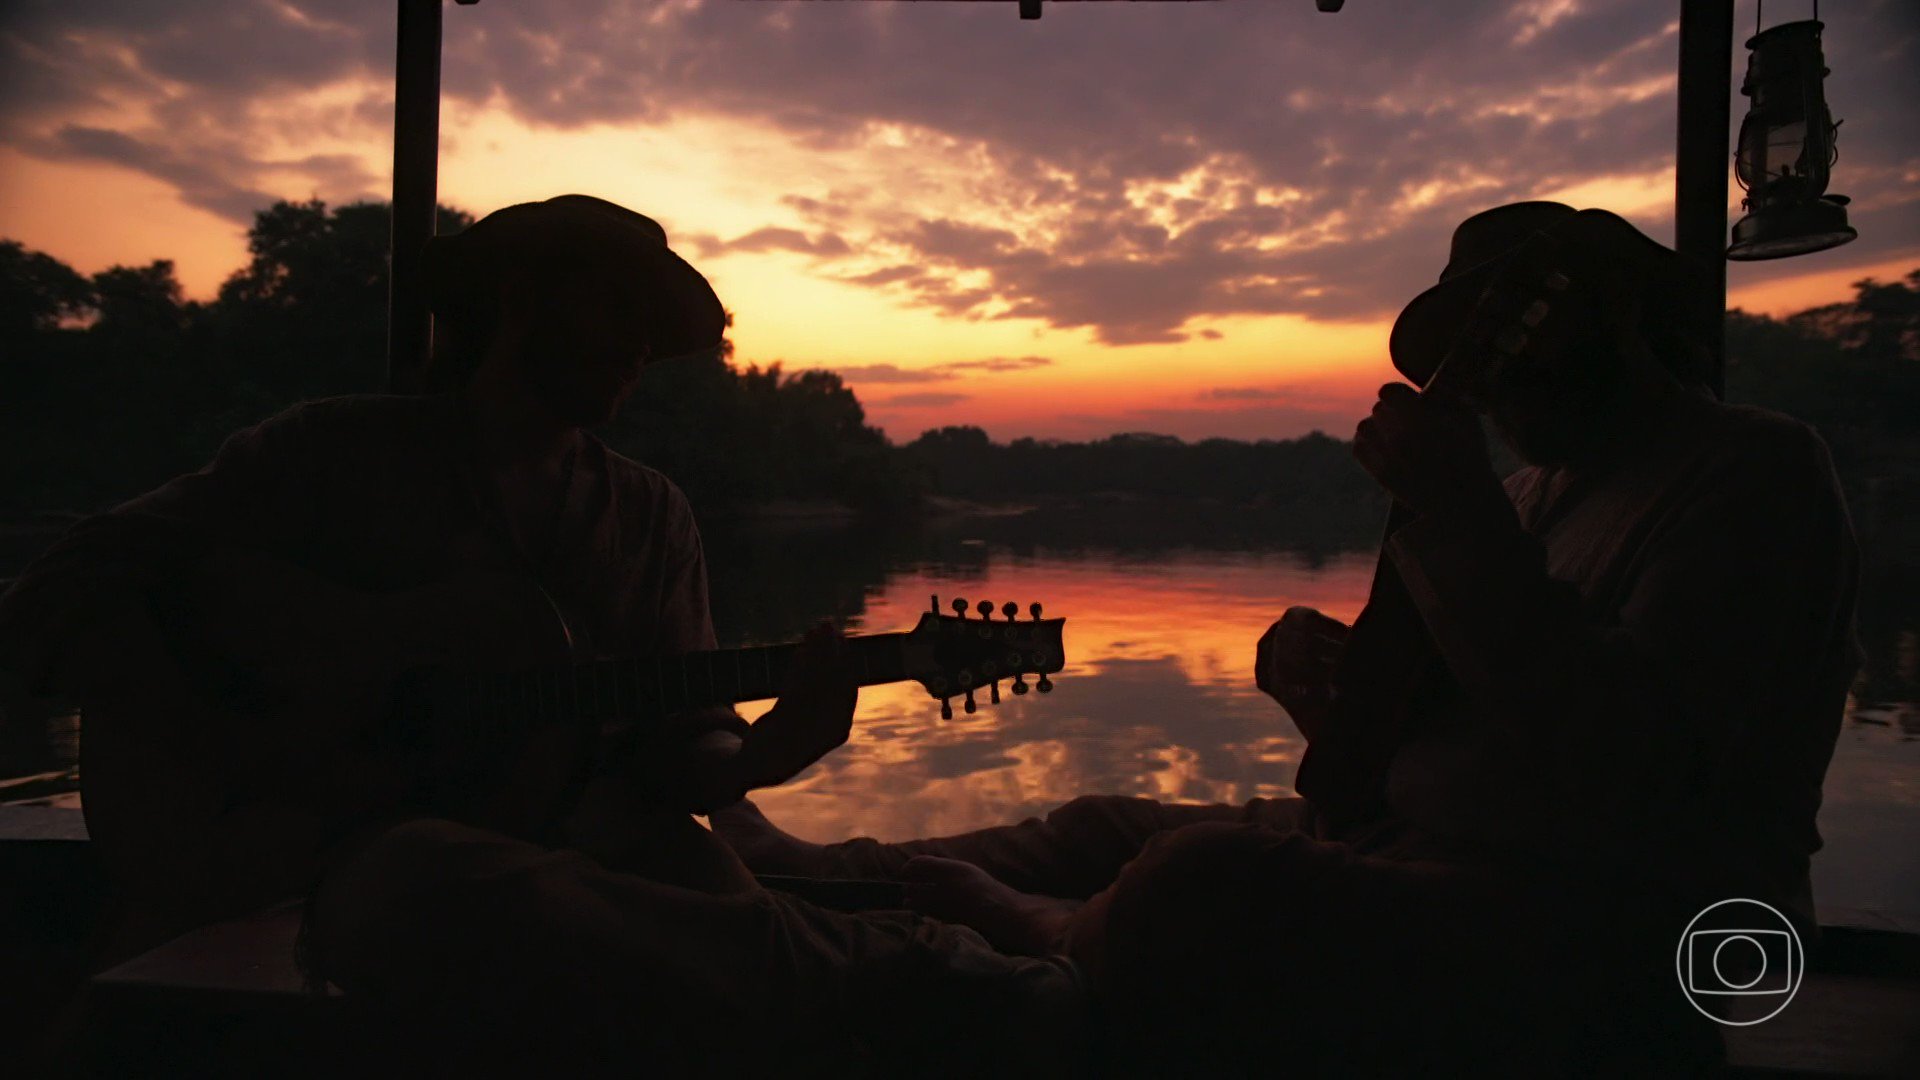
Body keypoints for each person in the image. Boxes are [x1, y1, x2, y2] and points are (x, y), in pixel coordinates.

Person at [715, 202, 1862, 1075]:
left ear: (1608, 318)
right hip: (1438, 859)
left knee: (1201, 879)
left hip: (1643, 926)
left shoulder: (1752, 471)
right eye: (1466, 357)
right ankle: (827, 878)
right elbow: (1420, 750)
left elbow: (1631, 772)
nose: (1489, 384)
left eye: (1509, 346)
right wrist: (1325, 689)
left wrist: (1456, 513)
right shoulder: (1525, 499)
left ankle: (1031, 927)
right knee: (1099, 820)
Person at [0, 195, 1085, 1074]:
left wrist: (770, 751)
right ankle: (972, 982)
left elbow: (686, 744)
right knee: (412, 873)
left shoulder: (648, 513)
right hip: (322, 853)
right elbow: (66, 586)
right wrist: (243, 712)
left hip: (555, 857)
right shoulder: (333, 456)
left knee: (697, 876)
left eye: (657, 335)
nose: (643, 351)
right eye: (622, 317)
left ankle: (969, 990)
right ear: (522, 301)